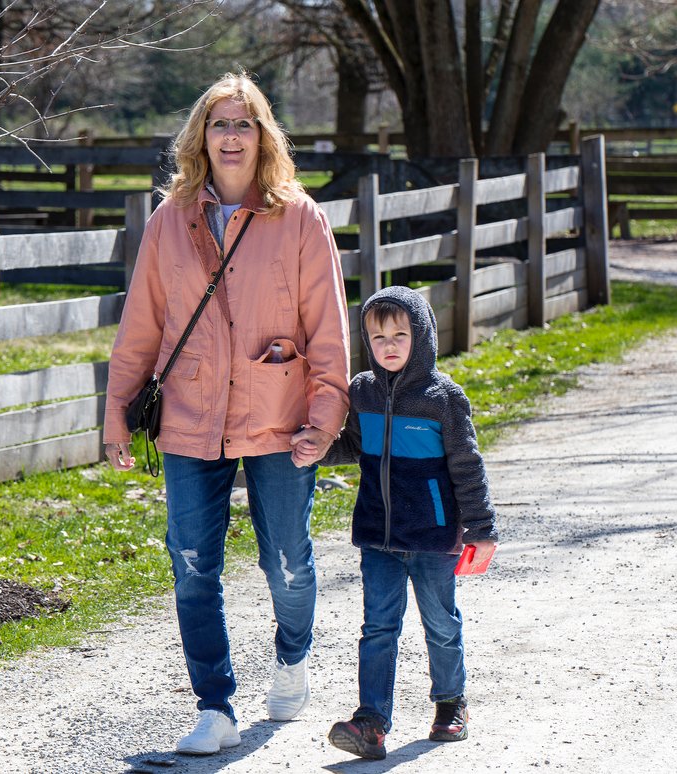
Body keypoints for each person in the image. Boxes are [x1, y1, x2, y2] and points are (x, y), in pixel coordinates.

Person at [103, 72, 350, 754]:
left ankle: (292, 658)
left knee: (287, 560)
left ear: (263, 135)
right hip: (189, 414)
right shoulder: (168, 221)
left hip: (280, 415)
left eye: (244, 124)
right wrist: (116, 415)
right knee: (191, 563)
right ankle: (215, 707)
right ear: (200, 138)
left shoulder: (300, 218)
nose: (232, 137)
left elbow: (328, 327)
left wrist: (325, 416)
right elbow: (141, 328)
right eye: (219, 124)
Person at [321, 285, 499, 760]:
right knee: (378, 628)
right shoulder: (362, 391)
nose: (390, 346)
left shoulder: (444, 399)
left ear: (422, 336)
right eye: (379, 338)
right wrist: (315, 448)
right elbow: (353, 446)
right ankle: (371, 723)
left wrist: (481, 529)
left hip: (433, 538)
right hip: (378, 536)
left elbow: (467, 465)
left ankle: (449, 704)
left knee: (440, 624)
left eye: (401, 334)